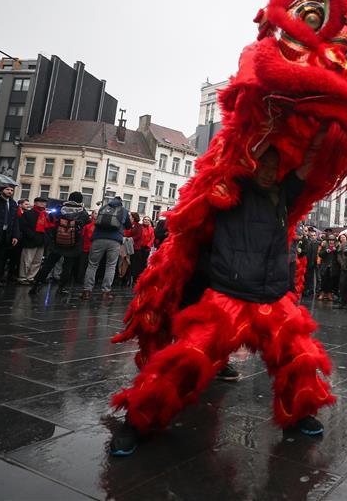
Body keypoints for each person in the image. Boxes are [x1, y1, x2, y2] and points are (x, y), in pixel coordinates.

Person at [110, 142, 332, 455]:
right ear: (252, 165)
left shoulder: (283, 193)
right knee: (187, 358)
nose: (268, 173)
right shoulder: (231, 189)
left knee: (302, 356)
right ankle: (137, 421)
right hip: (229, 295)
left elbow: (311, 158)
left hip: (273, 297)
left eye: (274, 167)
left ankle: (300, 414)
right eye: (262, 166)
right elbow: (233, 158)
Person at [30, 192, 90, 295]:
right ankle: (61, 288)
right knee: (68, 266)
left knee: (49, 264)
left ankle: (36, 284)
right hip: (73, 243)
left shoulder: (60, 208)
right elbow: (86, 223)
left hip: (57, 241)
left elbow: (51, 219)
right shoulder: (83, 213)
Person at [82, 196, 131, 300]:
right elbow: (128, 226)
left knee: (92, 265)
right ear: (121, 203)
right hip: (114, 241)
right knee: (111, 266)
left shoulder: (103, 208)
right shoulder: (123, 210)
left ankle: (87, 291)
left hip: (98, 239)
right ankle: (106, 292)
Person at [0, 184, 21, 286]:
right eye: (7, 189)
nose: (10, 191)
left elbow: (15, 221)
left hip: (6, 234)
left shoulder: (13, 204)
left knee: (0, 258)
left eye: (11, 190)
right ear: (2, 191)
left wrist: (15, 235)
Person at [17, 197, 47, 284]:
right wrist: (32, 235)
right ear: (35, 203)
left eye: (44, 202)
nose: (43, 204)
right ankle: (22, 277)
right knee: (26, 260)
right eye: (40, 202)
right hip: (30, 240)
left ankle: (31, 277)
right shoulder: (28, 213)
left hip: (41, 241)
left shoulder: (45, 214)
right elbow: (23, 226)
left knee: (37, 261)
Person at [318, 234, 339, 303]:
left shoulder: (337, 247)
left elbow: (338, 257)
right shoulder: (324, 246)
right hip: (325, 266)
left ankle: (329, 294)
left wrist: (335, 251)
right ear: (328, 241)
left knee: (331, 281)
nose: (331, 242)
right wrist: (326, 251)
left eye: (332, 240)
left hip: (333, 267)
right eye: (330, 240)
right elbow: (320, 254)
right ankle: (322, 293)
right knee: (323, 280)